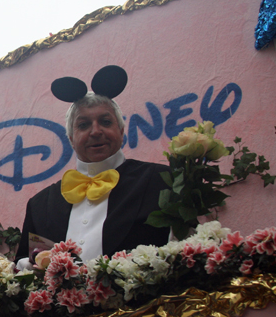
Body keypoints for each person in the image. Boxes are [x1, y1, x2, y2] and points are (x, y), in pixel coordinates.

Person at [17, 66, 170, 265]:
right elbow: (23, 270)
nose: (96, 131)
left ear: (121, 130)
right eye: (83, 125)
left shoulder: (161, 180)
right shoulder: (39, 206)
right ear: (71, 138)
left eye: (105, 122)